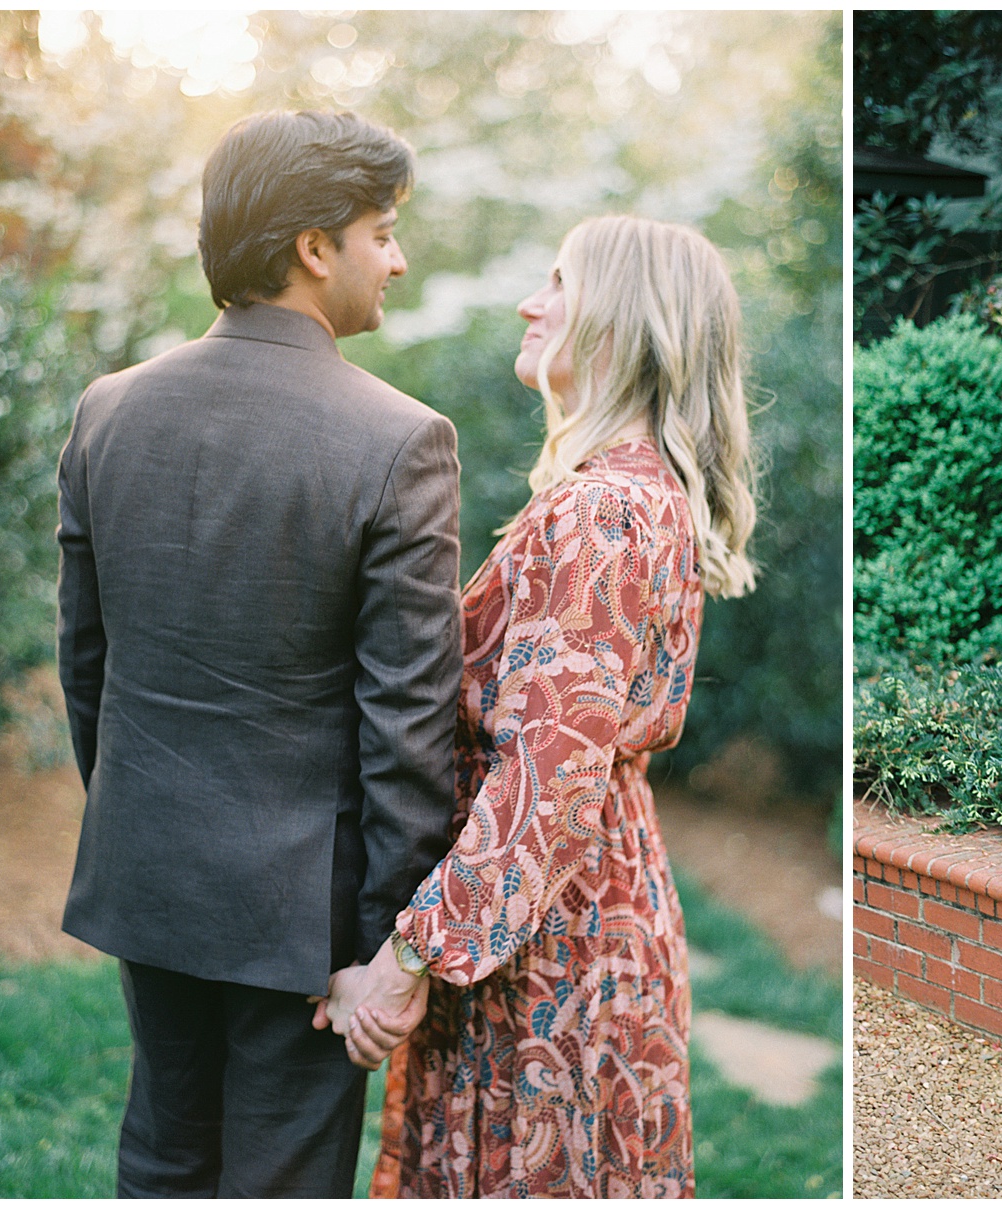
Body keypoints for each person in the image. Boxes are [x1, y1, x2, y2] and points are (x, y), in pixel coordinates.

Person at [55, 110, 462, 1197]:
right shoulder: (399, 442)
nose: (398, 256)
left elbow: (86, 671)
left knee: (162, 1155)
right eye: (382, 230)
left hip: (149, 876)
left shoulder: (107, 411)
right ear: (313, 249)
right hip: (308, 920)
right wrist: (383, 946)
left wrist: (145, 828)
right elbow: (407, 729)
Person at [316, 215, 758, 1197]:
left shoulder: (602, 509)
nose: (531, 302)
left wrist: (408, 959)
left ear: (621, 321)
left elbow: (547, 783)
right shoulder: (635, 492)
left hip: (550, 957)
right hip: (582, 915)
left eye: (559, 282)